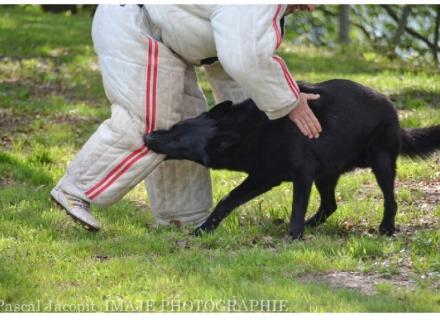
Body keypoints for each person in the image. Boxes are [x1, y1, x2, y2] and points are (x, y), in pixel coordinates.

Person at [51, 4, 321, 231]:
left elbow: (231, 68)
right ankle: (76, 191)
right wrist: (289, 102)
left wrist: (264, 119)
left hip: (168, 43)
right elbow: (244, 59)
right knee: (146, 125)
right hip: (136, 28)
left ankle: (181, 219)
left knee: (182, 129)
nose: (310, 8)